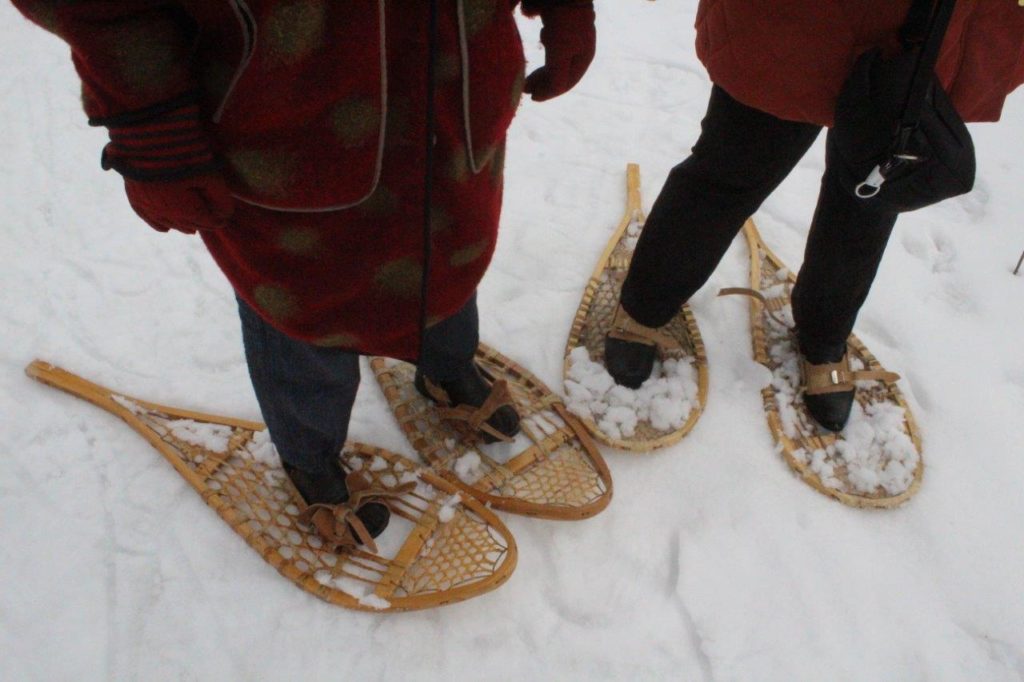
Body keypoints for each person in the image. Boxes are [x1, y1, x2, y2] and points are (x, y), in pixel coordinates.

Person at [10, 0, 596, 547]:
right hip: (285, 124)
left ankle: (446, 369)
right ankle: (310, 456)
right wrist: (148, 122)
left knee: (449, 248)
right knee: (302, 298)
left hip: (456, 92)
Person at [605, 0, 1024, 432]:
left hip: (923, 21)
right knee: (730, 167)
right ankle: (647, 300)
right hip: (800, 18)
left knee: (872, 193)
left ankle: (824, 334)